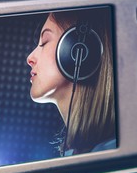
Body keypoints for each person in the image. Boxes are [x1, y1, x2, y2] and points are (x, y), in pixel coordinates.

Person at [26, 9, 116, 155]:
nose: (30, 58)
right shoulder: (76, 154)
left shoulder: (109, 154)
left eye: (44, 42)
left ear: (81, 50)